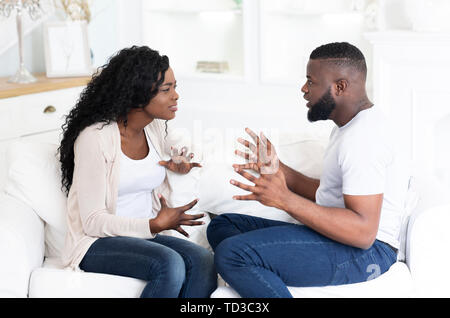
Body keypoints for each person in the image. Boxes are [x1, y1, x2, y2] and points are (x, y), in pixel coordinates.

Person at [207, 42, 409, 298]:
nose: (303, 89)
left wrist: (284, 199)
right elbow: (331, 195)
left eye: (311, 81)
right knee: (223, 225)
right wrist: (281, 171)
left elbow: (363, 233)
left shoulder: (363, 139)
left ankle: (259, 271)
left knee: (232, 254)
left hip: (367, 253)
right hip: (341, 240)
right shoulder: (350, 127)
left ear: (340, 86)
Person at [58, 46, 217, 298]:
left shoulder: (153, 130)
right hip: (96, 243)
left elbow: (183, 147)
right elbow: (92, 221)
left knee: (203, 260)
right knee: (170, 264)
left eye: (175, 87)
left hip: (144, 237)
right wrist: (153, 224)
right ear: (137, 93)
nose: (175, 96)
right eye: (166, 90)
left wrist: (182, 160)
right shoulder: (95, 139)